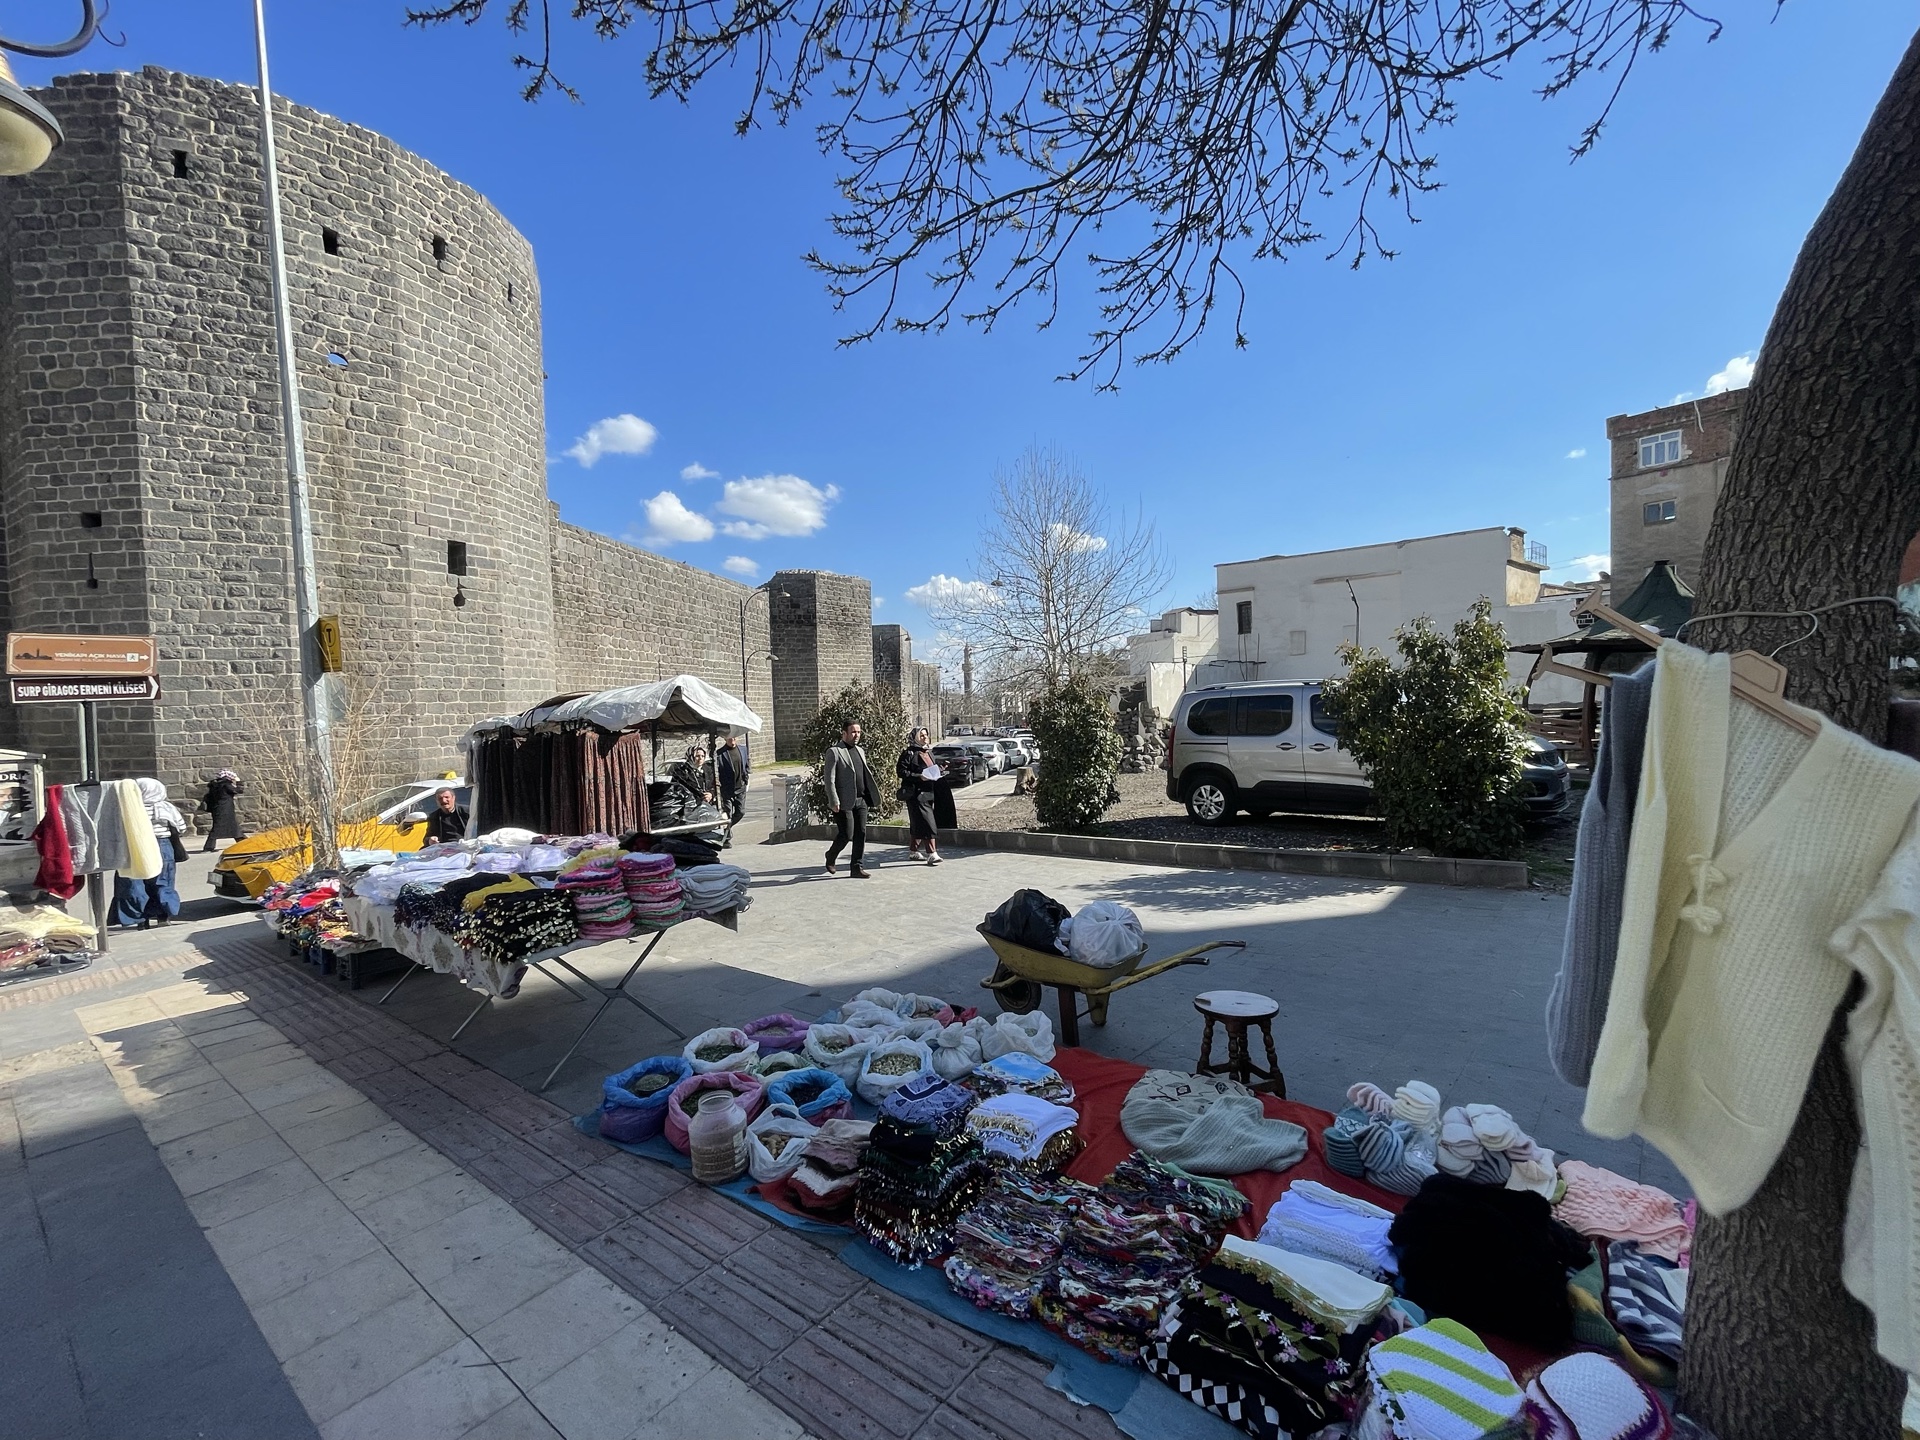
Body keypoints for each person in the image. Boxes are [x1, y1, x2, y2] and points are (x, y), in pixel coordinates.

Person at [113, 778, 186, 928]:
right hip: (162, 845)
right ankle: (163, 916)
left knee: (134, 882)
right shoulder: (167, 807)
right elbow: (181, 828)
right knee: (163, 881)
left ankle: (140, 920)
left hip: (134, 846)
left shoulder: (128, 808)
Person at [823, 719, 880, 878]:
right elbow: (830, 779)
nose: (856, 735)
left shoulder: (860, 751)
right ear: (844, 733)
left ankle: (856, 867)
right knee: (846, 834)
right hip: (843, 802)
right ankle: (831, 856)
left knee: (861, 833)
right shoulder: (834, 752)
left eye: (859, 732)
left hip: (861, 800)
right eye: (853, 732)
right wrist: (833, 800)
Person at [897, 727, 946, 865]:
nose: (925, 737)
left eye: (926, 735)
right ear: (915, 737)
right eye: (921, 735)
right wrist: (919, 776)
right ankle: (932, 853)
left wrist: (940, 771)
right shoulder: (909, 753)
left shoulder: (928, 752)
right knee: (927, 822)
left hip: (929, 792)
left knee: (918, 822)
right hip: (915, 794)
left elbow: (932, 769)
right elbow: (901, 771)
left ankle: (913, 851)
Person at [200, 768, 246, 852]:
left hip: (217, 809)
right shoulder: (226, 785)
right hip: (226, 809)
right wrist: (239, 782)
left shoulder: (214, 785)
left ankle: (243, 842)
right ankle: (208, 847)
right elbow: (238, 791)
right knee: (226, 827)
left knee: (224, 827)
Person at [716, 734, 748, 828]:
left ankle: (727, 828)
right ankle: (727, 838)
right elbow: (717, 771)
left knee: (741, 812)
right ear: (725, 739)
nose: (732, 739)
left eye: (734, 737)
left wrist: (746, 776)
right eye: (730, 738)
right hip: (727, 790)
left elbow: (746, 763)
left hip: (740, 788)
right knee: (728, 814)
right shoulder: (720, 753)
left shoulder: (743, 749)